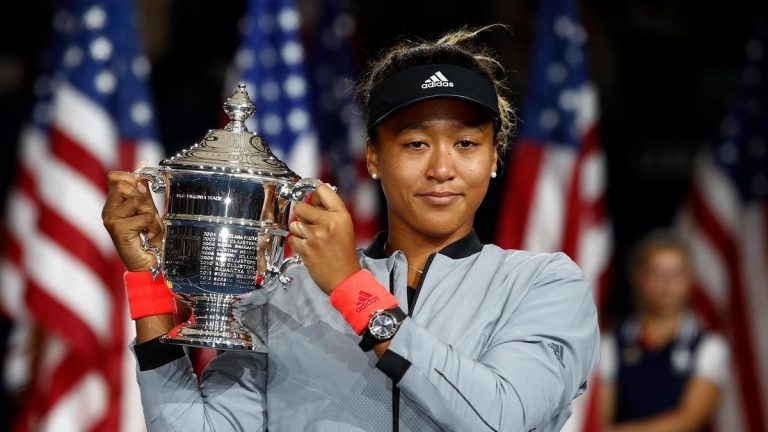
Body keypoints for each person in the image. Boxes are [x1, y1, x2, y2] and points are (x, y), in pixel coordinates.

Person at [102, 27, 599, 432]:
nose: (442, 169)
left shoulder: (544, 285)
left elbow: (503, 419)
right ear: (373, 159)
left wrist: (350, 289)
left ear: (494, 157)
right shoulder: (286, 294)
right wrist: (150, 284)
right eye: (416, 144)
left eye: (466, 144)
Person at [599, 231, 729, 432]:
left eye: (676, 274)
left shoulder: (710, 346)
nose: (667, 283)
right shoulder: (610, 343)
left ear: (690, 280)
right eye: (657, 273)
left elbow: (688, 420)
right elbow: (599, 414)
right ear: (638, 278)